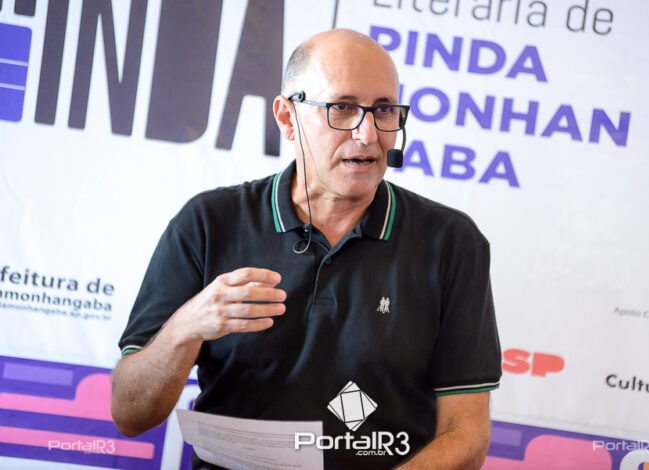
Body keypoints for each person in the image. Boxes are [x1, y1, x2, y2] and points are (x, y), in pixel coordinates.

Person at [112, 28, 501, 469]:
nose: (367, 134)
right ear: (287, 117)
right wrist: (186, 327)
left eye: (384, 110)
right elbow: (130, 415)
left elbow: (467, 433)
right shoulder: (208, 223)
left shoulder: (452, 242)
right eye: (342, 108)